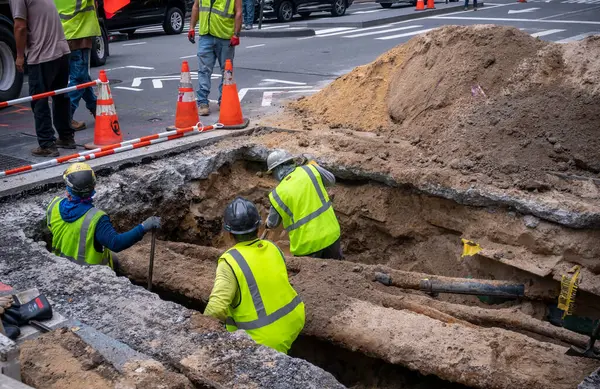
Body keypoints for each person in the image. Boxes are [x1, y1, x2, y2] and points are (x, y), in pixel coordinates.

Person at [204, 197, 305, 354]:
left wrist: (199, 337)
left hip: (265, 339)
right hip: (294, 319)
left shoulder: (230, 260)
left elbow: (216, 309)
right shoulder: (273, 247)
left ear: (229, 234)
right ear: (258, 228)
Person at [46, 162, 161, 269]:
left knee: (114, 260)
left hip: (60, 265)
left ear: (68, 188)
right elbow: (116, 243)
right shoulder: (96, 218)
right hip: (89, 274)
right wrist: (143, 227)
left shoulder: (54, 205)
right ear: (93, 187)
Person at [10, 0, 73, 157]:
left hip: (42, 55)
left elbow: (20, 26)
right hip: (61, 50)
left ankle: (47, 144)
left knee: (39, 100)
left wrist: (19, 56)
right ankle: (66, 137)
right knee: (60, 96)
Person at [265, 150, 343, 260]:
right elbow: (331, 180)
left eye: (273, 172)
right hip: (330, 235)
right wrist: (313, 165)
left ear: (277, 170)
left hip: (306, 247)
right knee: (338, 272)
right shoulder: (309, 170)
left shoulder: (277, 194)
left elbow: (272, 223)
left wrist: (267, 224)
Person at [187, 0, 243, 116]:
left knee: (226, 72)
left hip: (225, 37)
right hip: (206, 35)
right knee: (204, 70)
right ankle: (203, 103)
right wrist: (192, 27)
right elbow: (196, 7)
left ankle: (224, 100)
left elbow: (238, 12)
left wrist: (236, 34)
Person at [54, 0, 102, 131]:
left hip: (67, 33)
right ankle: (66, 117)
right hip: (79, 34)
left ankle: (96, 108)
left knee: (83, 76)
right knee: (79, 79)